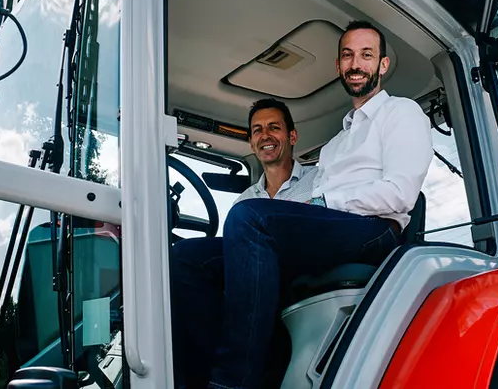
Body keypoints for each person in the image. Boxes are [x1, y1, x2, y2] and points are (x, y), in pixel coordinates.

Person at [205, 20, 434, 389]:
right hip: (333, 231)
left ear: (383, 65)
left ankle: (233, 382)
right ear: (338, 67)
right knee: (189, 260)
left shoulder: (401, 113)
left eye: (366, 55)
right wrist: (317, 208)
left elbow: (400, 193)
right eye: (347, 56)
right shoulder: (334, 145)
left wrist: (326, 201)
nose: (355, 63)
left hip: (375, 231)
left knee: (249, 219)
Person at [170, 98, 317, 389]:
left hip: (300, 282)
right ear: (251, 143)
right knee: (185, 258)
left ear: (292, 136)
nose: (265, 135)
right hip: (254, 294)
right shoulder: (245, 201)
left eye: (274, 127)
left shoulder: (320, 180)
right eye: (257, 130)